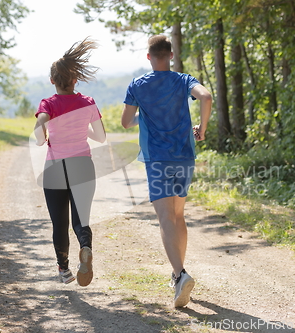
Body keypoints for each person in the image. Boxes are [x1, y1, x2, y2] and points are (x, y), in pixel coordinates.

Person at [121, 35, 212, 307]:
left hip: (157, 159)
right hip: (185, 155)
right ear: (171, 55)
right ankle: (179, 275)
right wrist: (202, 129)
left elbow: (126, 122)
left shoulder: (137, 85)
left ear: (148, 57)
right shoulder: (183, 80)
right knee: (178, 214)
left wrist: (144, 114)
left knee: (164, 218)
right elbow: (206, 97)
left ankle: (179, 274)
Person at [34, 37, 106, 287]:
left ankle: (64, 269)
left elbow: (40, 126)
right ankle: (85, 247)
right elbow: (101, 136)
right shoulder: (87, 103)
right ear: (76, 79)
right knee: (81, 218)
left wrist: (42, 137)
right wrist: (81, 129)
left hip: (55, 169)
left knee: (59, 222)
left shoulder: (49, 103)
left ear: (52, 80)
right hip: (82, 165)